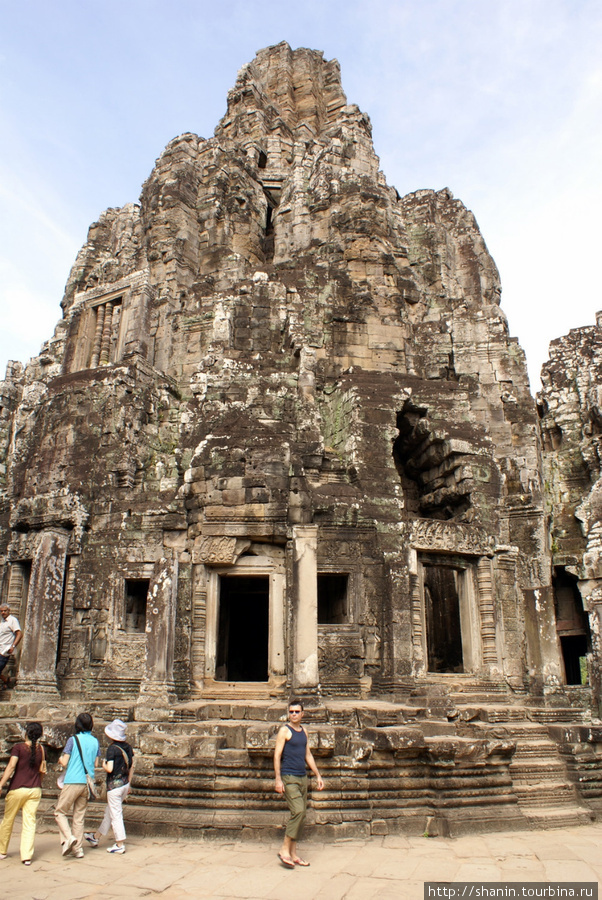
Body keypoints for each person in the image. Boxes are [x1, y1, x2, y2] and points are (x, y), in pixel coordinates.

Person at [274, 698, 324, 869]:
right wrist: (278, 779)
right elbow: (277, 755)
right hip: (289, 777)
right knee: (298, 811)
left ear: (302, 714)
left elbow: (307, 755)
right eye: (291, 712)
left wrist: (317, 775)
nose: (293, 714)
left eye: (297, 712)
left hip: (302, 777)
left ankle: (293, 854)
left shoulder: (304, 731)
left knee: (301, 816)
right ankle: (284, 849)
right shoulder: (284, 731)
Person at [84, 719, 134, 854]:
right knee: (110, 813)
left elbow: (110, 768)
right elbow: (132, 766)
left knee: (115, 814)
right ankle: (95, 837)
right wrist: (129, 783)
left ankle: (119, 843)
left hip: (114, 787)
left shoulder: (112, 749)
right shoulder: (128, 747)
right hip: (124, 784)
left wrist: (103, 764)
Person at [54, 712, 99, 859]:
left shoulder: (73, 740)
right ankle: (78, 850)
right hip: (87, 782)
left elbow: (65, 762)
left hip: (73, 780)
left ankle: (69, 838)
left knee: (60, 812)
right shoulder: (95, 741)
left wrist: (60, 759)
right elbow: (96, 763)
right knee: (79, 817)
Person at [0, 721, 45, 865]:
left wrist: (1, 783)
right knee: (29, 822)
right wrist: (39, 783)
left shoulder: (18, 748)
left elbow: (11, 766)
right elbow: (42, 771)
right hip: (34, 789)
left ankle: (2, 850)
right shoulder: (41, 749)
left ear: (26, 733)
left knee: (8, 819)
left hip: (17, 788)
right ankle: (26, 856)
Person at [0, 604, 22, 689]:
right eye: (1, 611)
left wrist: (13, 646)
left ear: (9, 611)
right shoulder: (2, 622)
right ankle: (6, 680)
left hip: (5, 651)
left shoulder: (13, 620)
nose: (3, 612)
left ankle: (6, 680)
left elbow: (19, 633)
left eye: (5, 611)